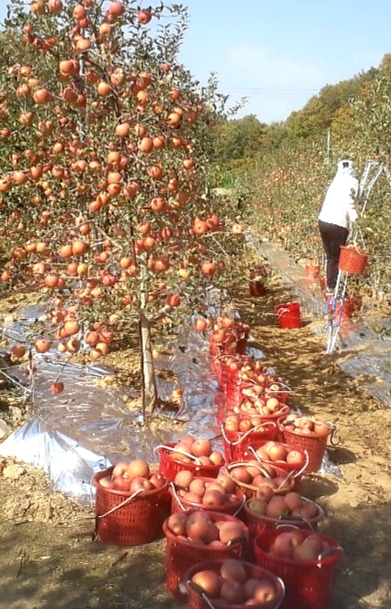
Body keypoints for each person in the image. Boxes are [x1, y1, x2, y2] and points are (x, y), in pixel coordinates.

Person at [318, 159, 359, 294]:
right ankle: (333, 288)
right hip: (338, 223)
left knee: (330, 256)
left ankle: (331, 285)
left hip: (323, 221)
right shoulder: (352, 182)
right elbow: (350, 200)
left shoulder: (335, 182)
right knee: (336, 257)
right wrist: (355, 218)